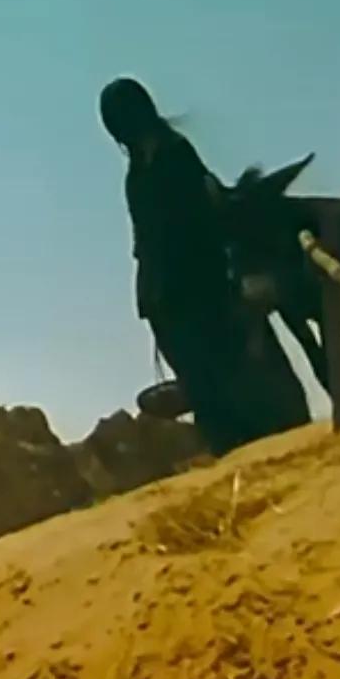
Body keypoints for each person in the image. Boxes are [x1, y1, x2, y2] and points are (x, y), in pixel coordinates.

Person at [99, 77, 309, 453]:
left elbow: (202, 214)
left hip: (200, 284)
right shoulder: (139, 170)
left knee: (239, 374)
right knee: (204, 385)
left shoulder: (174, 154)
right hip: (166, 295)